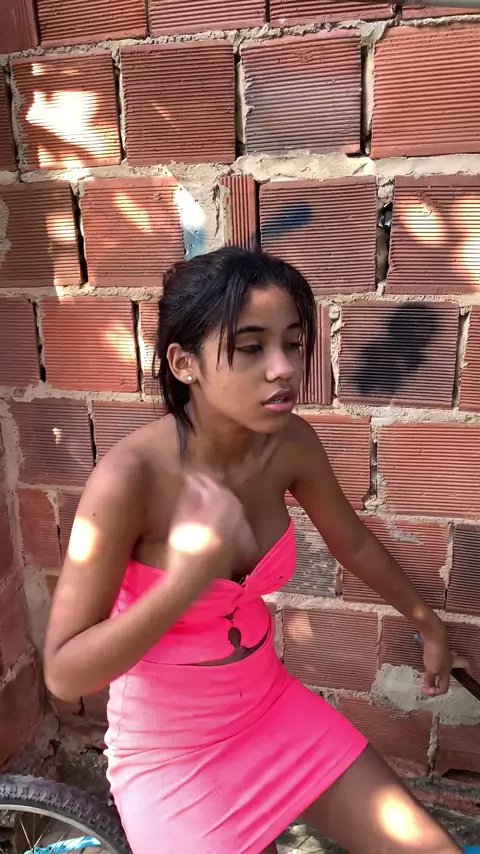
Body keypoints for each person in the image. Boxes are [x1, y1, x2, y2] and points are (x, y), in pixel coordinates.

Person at [44, 247, 466, 854]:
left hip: (271, 710)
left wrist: (427, 623)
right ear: (184, 363)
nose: (283, 369)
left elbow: (352, 542)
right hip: (171, 756)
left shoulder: (289, 444)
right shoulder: (129, 480)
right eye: (251, 348)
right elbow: (64, 673)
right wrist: (184, 584)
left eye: (293, 344)